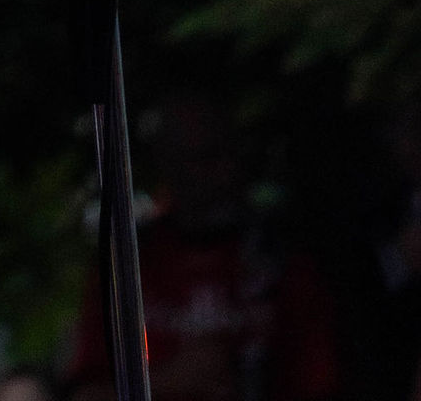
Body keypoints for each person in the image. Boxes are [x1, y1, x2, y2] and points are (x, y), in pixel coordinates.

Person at [66, 90, 340, 401]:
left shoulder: (283, 260)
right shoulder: (130, 264)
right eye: (203, 157)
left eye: (230, 152)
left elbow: (322, 380)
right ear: (167, 163)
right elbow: (85, 392)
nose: (224, 171)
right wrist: (172, 378)